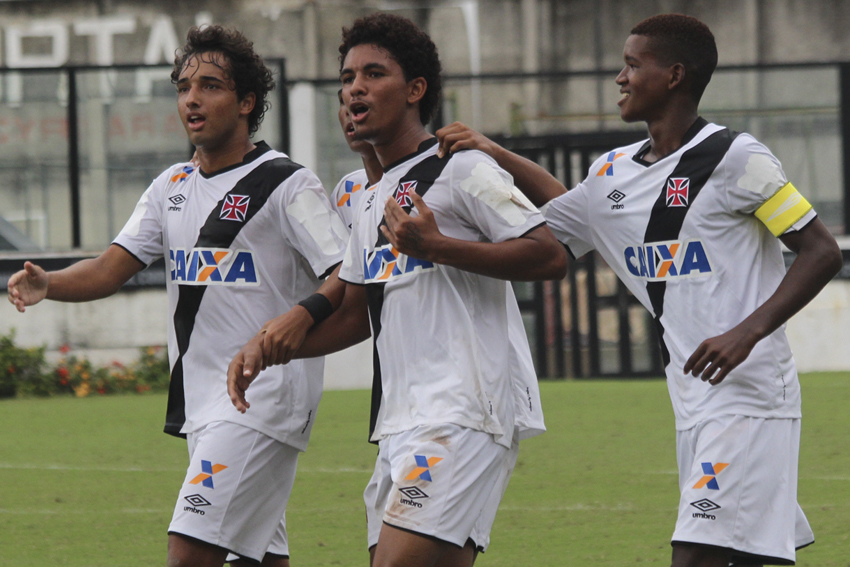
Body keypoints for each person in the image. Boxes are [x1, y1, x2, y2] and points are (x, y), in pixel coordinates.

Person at [435, 14, 843, 567]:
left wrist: (747, 333)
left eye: (632, 64)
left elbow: (821, 250)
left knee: (695, 554)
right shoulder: (612, 172)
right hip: (691, 400)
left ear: (674, 75)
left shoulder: (737, 157)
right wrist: (493, 154)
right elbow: (553, 233)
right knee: (744, 558)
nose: (620, 78)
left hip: (749, 398)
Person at [228, 12, 567, 567]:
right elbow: (354, 313)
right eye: (347, 77)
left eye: (373, 74)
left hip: (462, 414)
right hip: (399, 422)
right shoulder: (372, 195)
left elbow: (551, 253)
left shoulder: (460, 168)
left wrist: (439, 247)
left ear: (415, 90)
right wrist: (266, 351)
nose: (354, 88)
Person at [7, 25, 349, 567]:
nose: (192, 98)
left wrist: (301, 317)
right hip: (204, 402)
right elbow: (109, 268)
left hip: (262, 399)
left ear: (246, 102)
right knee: (256, 559)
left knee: (188, 551)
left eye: (210, 86)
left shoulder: (286, 183)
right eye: (184, 87)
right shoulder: (171, 186)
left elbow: (346, 270)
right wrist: (50, 284)